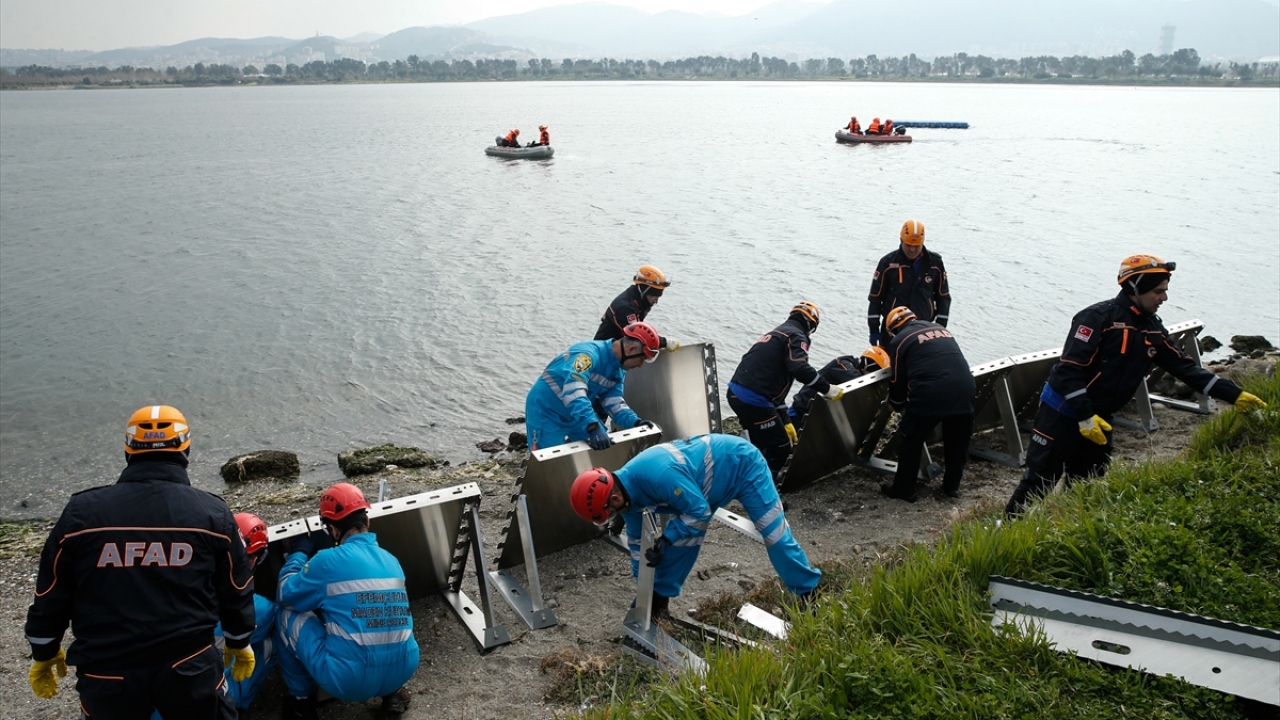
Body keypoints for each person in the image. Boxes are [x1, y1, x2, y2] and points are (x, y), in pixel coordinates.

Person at [24, 404, 255, 719]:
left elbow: (51, 590)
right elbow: (236, 587)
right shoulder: (211, 514)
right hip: (188, 666)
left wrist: (44, 649)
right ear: (185, 449)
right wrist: (239, 640)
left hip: (108, 670)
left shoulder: (83, 513)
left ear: (128, 450)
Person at [1004, 255, 1268, 516]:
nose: (1164, 298)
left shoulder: (1151, 328)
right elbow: (1068, 371)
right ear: (1135, 288)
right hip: (1063, 412)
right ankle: (1006, 531)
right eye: (1158, 292)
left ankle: (1062, 533)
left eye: (1165, 291)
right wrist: (1084, 416)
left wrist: (1236, 395)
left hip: (1101, 418)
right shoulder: (1096, 318)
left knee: (1087, 485)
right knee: (1039, 481)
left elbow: (1185, 368)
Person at [568, 434, 822, 615]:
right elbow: (638, 544)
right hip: (703, 491)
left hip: (743, 465)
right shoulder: (628, 498)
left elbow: (699, 512)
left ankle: (809, 592)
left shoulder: (658, 475)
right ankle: (659, 601)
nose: (613, 516)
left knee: (773, 534)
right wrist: (644, 589)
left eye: (609, 513)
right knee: (683, 538)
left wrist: (666, 540)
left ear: (613, 498)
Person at [275, 482, 419, 720]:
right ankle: (393, 695)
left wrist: (298, 554)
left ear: (332, 529)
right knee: (382, 614)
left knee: (284, 615)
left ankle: (301, 705)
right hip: (404, 669)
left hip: (349, 682)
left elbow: (285, 594)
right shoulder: (392, 559)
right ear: (367, 521)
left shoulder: (327, 561)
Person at [727, 302, 842, 479]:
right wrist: (827, 389)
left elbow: (775, 388)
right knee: (780, 447)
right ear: (811, 325)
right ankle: (767, 491)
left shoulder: (777, 333)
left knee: (761, 443)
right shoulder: (796, 336)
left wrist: (786, 420)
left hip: (736, 393)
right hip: (753, 399)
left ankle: (750, 478)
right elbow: (799, 368)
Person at [879, 307, 976, 502]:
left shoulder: (900, 341)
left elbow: (897, 380)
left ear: (893, 329)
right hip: (965, 387)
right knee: (957, 441)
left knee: (911, 438)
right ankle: (951, 486)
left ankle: (904, 489)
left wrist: (896, 404)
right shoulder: (941, 329)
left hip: (930, 392)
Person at [526, 321, 661, 451]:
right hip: (547, 411)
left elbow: (614, 403)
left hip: (575, 413)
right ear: (631, 349)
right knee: (548, 463)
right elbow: (574, 393)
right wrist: (592, 426)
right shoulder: (588, 356)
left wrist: (636, 423)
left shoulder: (617, 370)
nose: (640, 365)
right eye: (642, 358)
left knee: (604, 449)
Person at [867, 219, 950, 347]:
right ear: (901, 241)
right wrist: (873, 329)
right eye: (908, 245)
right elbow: (875, 299)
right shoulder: (887, 264)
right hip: (893, 330)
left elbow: (943, 297)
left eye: (916, 246)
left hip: (923, 329)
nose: (912, 249)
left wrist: (940, 327)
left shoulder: (935, 264)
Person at [788, 346, 890, 429]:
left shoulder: (853, 368)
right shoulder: (843, 364)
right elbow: (854, 379)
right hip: (799, 411)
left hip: (817, 417)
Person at [594, 265, 673, 349]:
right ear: (645, 291)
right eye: (654, 296)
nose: (656, 301)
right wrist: (664, 342)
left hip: (616, 347)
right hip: (603, 352)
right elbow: (637, 335)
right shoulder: (626, 307)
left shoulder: (639, 299)